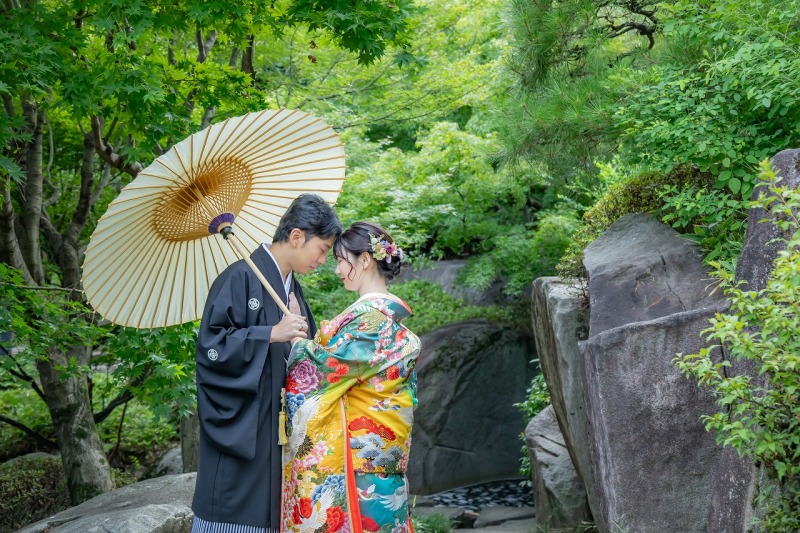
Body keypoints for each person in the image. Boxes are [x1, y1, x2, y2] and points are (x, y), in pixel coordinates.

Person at [191, 194, 342, 533]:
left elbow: (304, 363)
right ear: (297, 236)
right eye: (322, 249)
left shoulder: (292, 292)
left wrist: (303, 344)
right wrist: (269, 334)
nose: (322, 260)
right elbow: (211, 348)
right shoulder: (239, 278)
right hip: (246, 426)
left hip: (279, 429)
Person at [281, 221, 422, 533]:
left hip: (359, 465)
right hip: (378, 459)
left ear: (365, 260)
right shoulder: (379, 319)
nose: (337, 270)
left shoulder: (373, 320)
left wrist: (295, 341)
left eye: (342, 261)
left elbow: (325, 369)